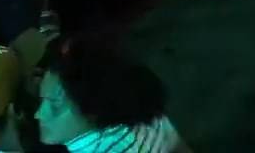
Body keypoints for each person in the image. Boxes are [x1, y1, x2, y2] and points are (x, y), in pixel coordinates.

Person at [34, 37, 187, 153]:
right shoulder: (141, 109)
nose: (39, 114)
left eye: (55, 105)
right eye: (42, 100)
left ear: (94, 108)